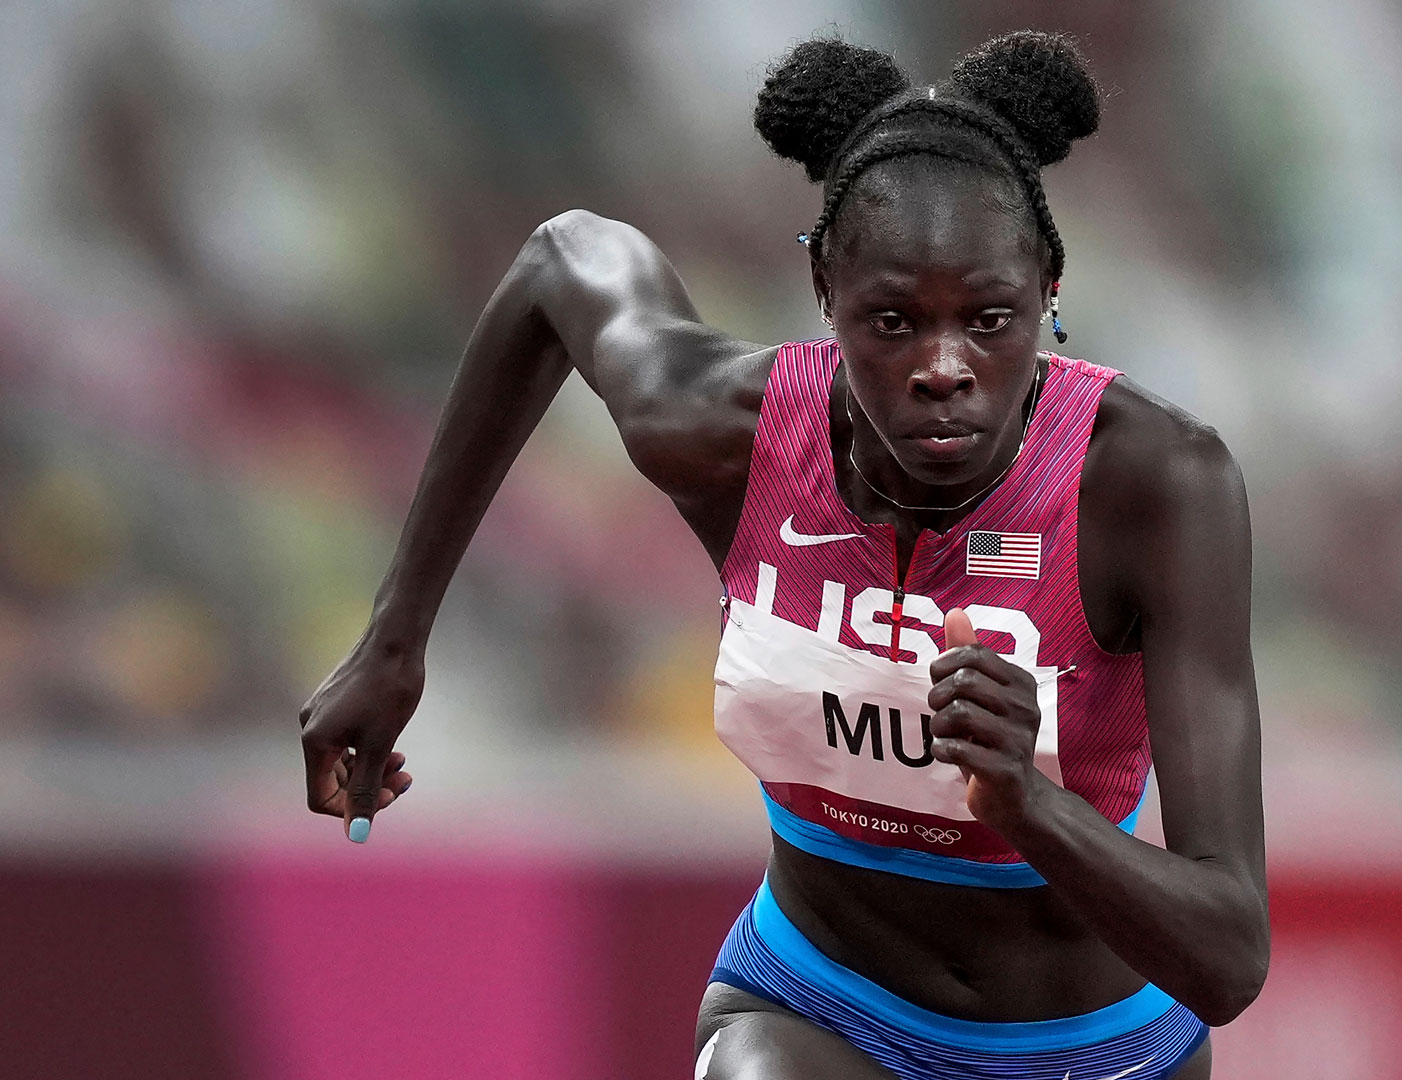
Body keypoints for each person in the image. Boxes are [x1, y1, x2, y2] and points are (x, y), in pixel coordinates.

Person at [297, 30, 1267, 1079]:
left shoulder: (1155, 486)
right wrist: (395, 642)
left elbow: (1227, 957)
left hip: (1099, 1050)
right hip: (823, 1004)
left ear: (1048, 290)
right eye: (891, 321)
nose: (944, 366)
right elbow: (560, 259)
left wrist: (1031, 805)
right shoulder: (732, 435)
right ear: (823, 291)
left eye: (991, 320)